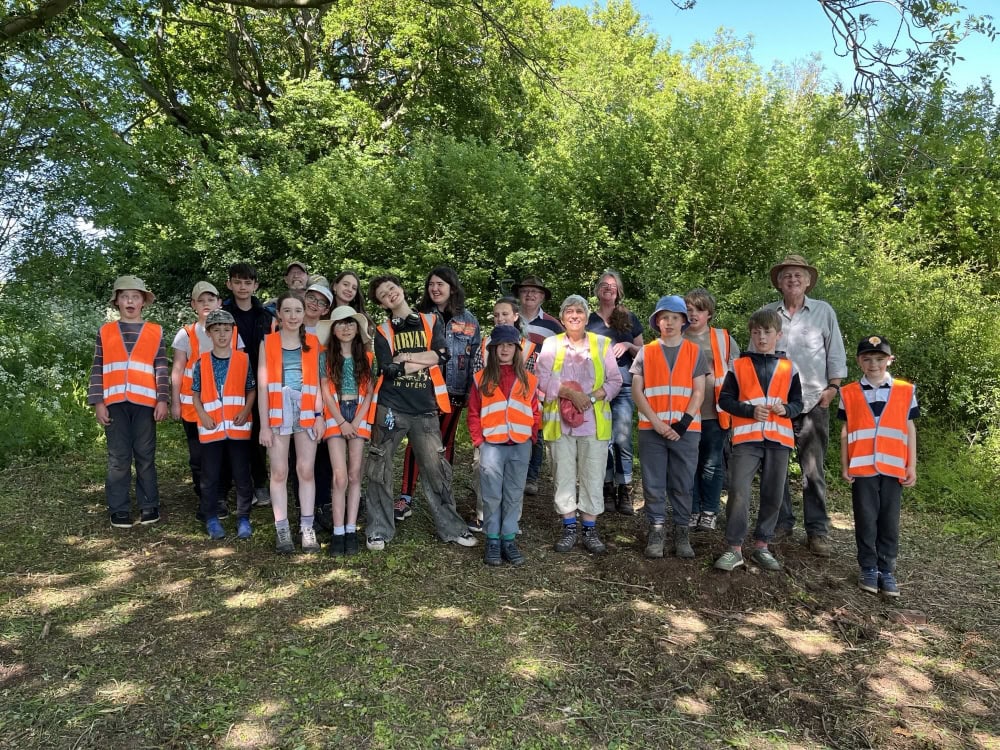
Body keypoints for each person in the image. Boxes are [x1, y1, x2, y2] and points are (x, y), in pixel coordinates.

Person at [364, 274, 478, 551]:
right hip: (390, 407)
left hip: (425, 408)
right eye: (382, 295)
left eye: (391, 288)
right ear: (381, 304)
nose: (389, 294)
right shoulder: (382, 331)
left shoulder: (430, 321)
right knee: (379, 467)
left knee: (437, 468)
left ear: (401, 289)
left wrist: (406, 359)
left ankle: (451, 527)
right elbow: (387, 369)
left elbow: (441, 355)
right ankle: (379, 529)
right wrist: (420, 360)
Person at [760, 254, 847, 557]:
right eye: (787, 276)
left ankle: (817, 531)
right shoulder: (767, 313)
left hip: (812, 402)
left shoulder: (823, 312)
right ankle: (782, 524)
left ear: (808, 280)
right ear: (779, 283)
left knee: (813, 469)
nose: (793, 280)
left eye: (798, 275)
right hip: (776, 406)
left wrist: (833, 387)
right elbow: (754, 356)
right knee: (776, 468)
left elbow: (835, 351)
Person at [713, 309, 803, 572]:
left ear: (778, 335)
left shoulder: (789, 367)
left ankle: (762, 545)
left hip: (779, 441)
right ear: (751, 334)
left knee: (773, 494)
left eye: (767, 332)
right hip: (746, 440)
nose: (762, 337)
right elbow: (724, 400)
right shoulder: (738, 365)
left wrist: (788, 409)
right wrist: (750, 411)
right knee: (739, 492)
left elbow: (799, 403)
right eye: (756, 332)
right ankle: (734, 548)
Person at [535, 295, 622, 554]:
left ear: (587, 317)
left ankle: (590, 530)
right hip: (559, 424)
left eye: (579, 311)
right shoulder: (551, 344)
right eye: (569, 311)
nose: (574, 315)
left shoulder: (602, 344)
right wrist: (570, 394)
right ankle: (569, 528)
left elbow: (615, 381)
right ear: (561, 318)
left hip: (594, 423)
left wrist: (590, 397)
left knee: (593, 476)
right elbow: (540, 381)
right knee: (562, 475)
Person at [397, 267, 481, 521]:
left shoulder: (469, 321)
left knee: (444, 446)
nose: (435, 288)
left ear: (452, 288)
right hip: (423, 392)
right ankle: (406, 497)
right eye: (431, 284)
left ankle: (443, 496)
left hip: (454, 392)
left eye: (440, 284)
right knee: (416, 443)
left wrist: (470, 393)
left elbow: (475, 358)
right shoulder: (418, 318)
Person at [839, 335, 918, 597]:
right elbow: (845, 430)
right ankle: (869, 568)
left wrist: (911, 466)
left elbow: (909, 428)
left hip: (894, 467)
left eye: (879, 359)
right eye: (867, 359)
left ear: (889, 360)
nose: (874, 364)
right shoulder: (848, 392)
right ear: (859, 362)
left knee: (889, 520)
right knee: (865, 519)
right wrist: (845, 464)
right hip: (862, 468)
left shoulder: (905, 390)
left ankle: (887, 570)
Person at [88, 275, 170, 528]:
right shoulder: (106, 331)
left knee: (145, 455)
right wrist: (98, 401)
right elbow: (98, 367)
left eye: (135, 297)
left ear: (143, 301)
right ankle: (119, 508)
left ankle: (149, 505)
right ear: (117, 302)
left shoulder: (155, 331)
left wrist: (163, 400)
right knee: (118, 457)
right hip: (114, 403)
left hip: (146, 403)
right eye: (125, 297)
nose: (130, 301)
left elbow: (161, 368)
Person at [631, 295, 709, 559]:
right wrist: (656, 422)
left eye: (675, 318)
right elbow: (637, 391)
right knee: (653, 483)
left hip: (685, 431)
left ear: (683, 322)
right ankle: (656, 532)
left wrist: (683, 423)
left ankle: (681, 533)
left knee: (683, 484)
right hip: (651, 429)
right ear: (657, 322)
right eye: (664, 318)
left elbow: (699, 391)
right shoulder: (646, 351)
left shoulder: (694, 352)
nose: (669, 322)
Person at [467, 325, 540, 566]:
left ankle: (508, 539)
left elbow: (534, 411)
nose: (505, 349)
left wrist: (532, 436)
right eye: (501, 345)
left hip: (520, 445)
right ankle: (492, 540)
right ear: (493, 349)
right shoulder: (481, 378)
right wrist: (479, 440)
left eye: (510, 345)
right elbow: (474, 413)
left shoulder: (529, 379)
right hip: (492, 446)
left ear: (517, 349)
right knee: (491, 495)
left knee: (513, 494)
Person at [258, 291, 325, 554]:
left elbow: (319, 384)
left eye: (298, 310)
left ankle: (307, 528)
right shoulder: (268, 343)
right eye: (288, 311)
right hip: (277, 412)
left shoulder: (313, 341)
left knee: (306, 470)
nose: (293, 316)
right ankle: (282, 528)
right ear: (279, 314)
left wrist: (319, 416)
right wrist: (263, 425)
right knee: (279, 472)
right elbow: (263, 388)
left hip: (306, 412)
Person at [171, 281, 241, 520]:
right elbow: (178, 371)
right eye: (201, 301)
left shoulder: (232, 331)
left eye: (211, 300)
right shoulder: (187, 334)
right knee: (199, 456)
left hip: (225, 406)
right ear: (193, 305)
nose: (207, 304)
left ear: (220, 302)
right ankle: (205, 498)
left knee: (223, 453)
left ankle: (220, 496)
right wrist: (174, 402)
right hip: (193, 407)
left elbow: (240, 367)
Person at [191, 309, 257, 540]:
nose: (222, 334)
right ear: (208, 333)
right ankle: (211, 518)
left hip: (238, 428)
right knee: (209, 475)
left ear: (233, 332)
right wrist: (203, 416)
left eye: (226, 330)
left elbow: (251, 390)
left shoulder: (243, 359)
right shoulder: (202, 362)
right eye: (216, 330)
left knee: (241, 473)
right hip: (211, 429)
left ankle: (243, 517)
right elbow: (195, 394)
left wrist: (246, 409)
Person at [587, 270, 644, 515]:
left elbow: (643, 355)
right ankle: (606, 488)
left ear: (619, 291)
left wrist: (628, 345)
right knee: (603, 440)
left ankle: (625, 490)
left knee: (621, 439)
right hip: (597, 388)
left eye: (613, 285)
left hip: (623, 386)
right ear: (598, 290)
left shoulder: (629, 318)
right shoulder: (589, 320)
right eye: (604, 285)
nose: (608, 288)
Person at [683, 288, 740, 531]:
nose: (693, 314)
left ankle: (709, 511)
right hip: (685, 412)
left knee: (712, 463)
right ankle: (693, 509)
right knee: (689, 462)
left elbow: (738, 372)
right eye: (689, 309)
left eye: (699, 309)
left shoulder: (723, 338)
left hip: (716, 411)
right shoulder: (677, 336)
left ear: (709, 313)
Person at [320, 306, 375, 557]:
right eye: (340, 323)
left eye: (350, 323)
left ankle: (352, 529)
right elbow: (325, 391)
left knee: (355, 475)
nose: (346, 327)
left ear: (357, 328)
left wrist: (357, 420)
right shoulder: (325, 357)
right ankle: (338, 531)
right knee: (339, 477)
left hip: (359, 415)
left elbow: (370, 392)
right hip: (336, 414)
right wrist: (342, 421)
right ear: (333, 328)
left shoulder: (367, 357)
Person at [223, 263, 276, 507]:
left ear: (255, 285)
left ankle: (260, 483)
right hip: (230, 382)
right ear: (229, 284)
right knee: (231, 433)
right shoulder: (222, 313)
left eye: (248, 282)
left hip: (262, 382)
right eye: (238, 282)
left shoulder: (267, 316)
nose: (243, 287)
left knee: (258, 434)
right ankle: (230, 484)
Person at [513, 274, 564, 496]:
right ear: (519, 295)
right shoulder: (510, 319)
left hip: (541, 386)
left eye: (535, 291)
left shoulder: (553, 325)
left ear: (542, 296)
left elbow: (564, 355)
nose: (530, 294)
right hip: (512, 384)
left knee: (536, 430)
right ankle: (514, 471)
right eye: (526, 291)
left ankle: (531, 477)